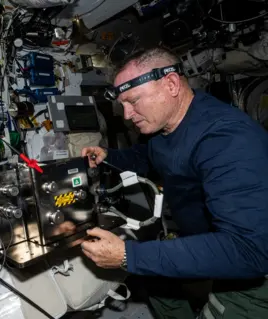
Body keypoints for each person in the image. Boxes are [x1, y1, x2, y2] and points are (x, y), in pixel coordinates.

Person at [80, 47, 268, 318]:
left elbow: (248, 251)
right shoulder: (165, 125)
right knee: (156, 281)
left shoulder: (227, 140)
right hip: (205, 235)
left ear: (170, 84)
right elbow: (149, 155)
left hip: (253, 264)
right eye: (122, 104)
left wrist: (128, 256)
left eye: (133, 101)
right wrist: (111, 156)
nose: (127, 115)